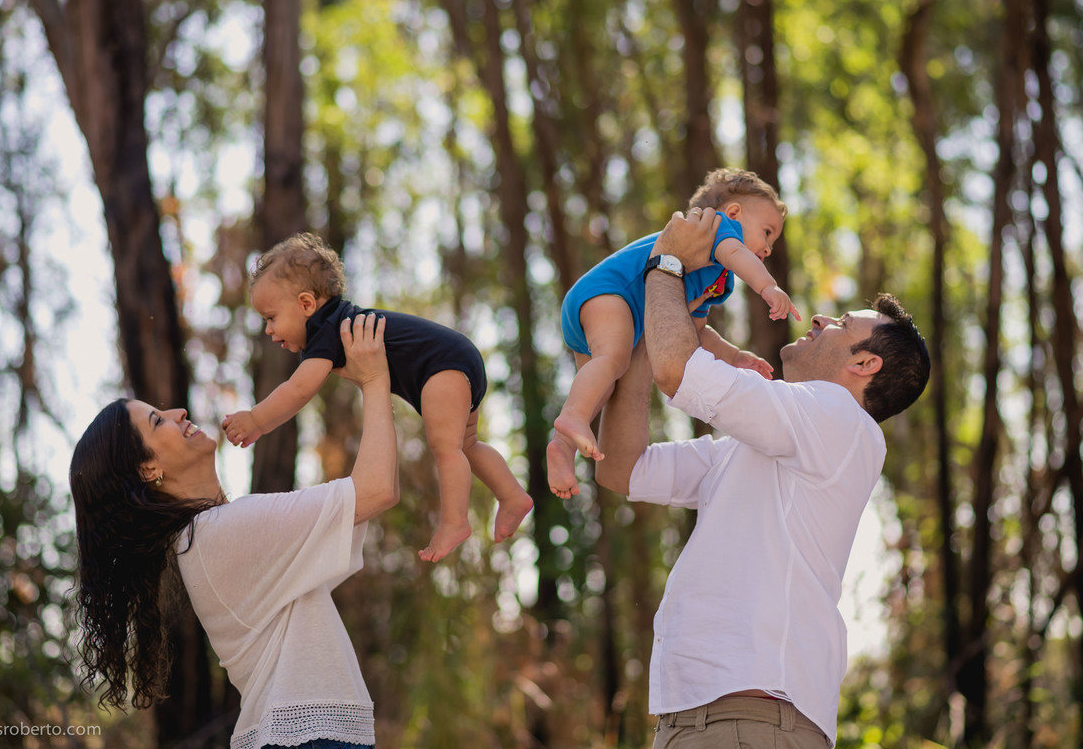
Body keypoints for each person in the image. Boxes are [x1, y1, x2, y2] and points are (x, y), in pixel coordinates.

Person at [594, 208, 930, 748]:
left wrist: (665, 264)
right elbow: (621, 467)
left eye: (842, 325)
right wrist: (639, 335)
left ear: (865, 365)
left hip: (751, 720)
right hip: (703, 720)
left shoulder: (841, 421)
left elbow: (677, 371)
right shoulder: (756, 448)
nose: (821, 320)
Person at [70, 313, 398, 749]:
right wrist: (375, 379)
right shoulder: (220, 534)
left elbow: (364, 503)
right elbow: (377, 490)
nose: (177, 412)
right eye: (157, 421)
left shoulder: (206, 539)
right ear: (149, 468)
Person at [221, 232, 532, 562]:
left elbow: (298, 390)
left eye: (271, 318)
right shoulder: (333, 323)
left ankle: (454, 521)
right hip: (454, 358)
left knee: (447, 447)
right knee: (466, 444)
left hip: (441, 364)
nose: (268, 330)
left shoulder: (324, 331)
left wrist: (256, 419)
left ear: (306, 304)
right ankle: (512, 495)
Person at [548, 168, 802, 499]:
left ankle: (562, 448)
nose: (768, 248)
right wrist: (768, 286)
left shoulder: (718, 279)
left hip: (612, 311)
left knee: (603, 385)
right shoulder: (716, 229)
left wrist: (734, 355)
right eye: (767, 233)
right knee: (614, 359)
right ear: (734, 214)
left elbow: (696, 329)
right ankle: (571, 418)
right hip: (610, 292)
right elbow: (739, 255)